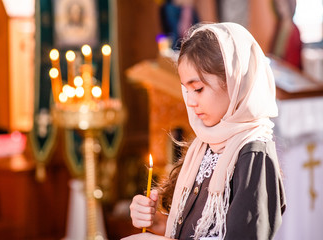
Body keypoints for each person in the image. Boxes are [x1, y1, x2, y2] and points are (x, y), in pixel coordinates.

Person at [122, 22, 286, 240]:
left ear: (234, 81)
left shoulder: (254, 153)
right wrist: (156, 220)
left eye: (198, 89)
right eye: (186, 89)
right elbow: (192, 230)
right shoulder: (205, 145)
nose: (189, 101)